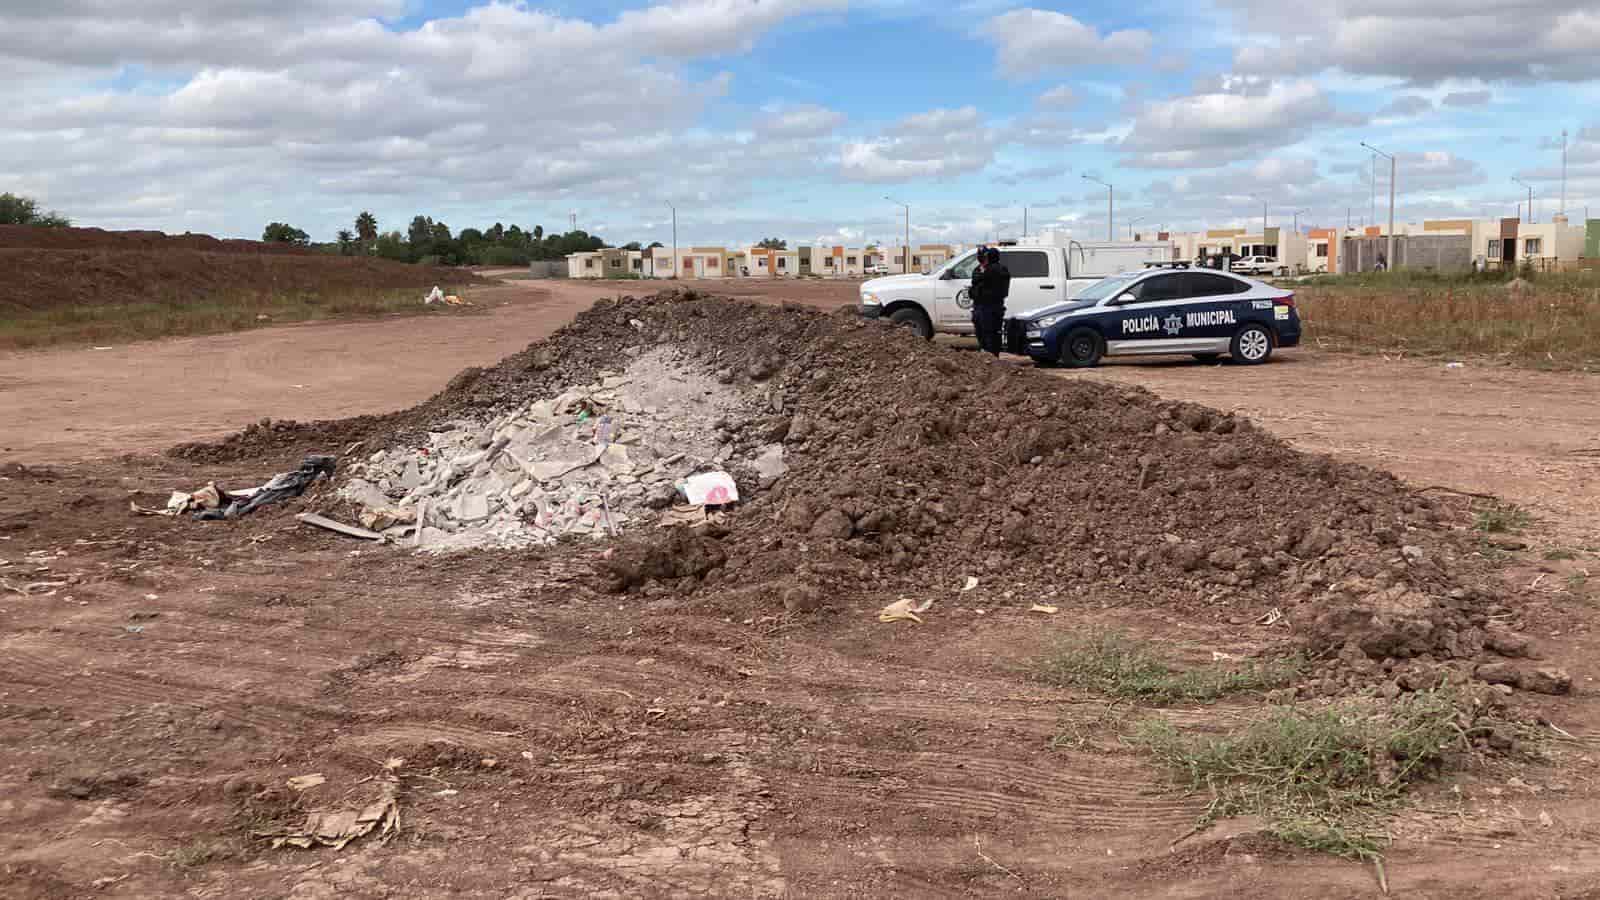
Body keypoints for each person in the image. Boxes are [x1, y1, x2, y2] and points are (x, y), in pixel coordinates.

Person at [968, 247, 1010, 356]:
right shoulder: (980, 269)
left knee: (989, 335)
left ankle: (991, 357)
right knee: (984, 334)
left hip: (989, 308)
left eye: (984, 256)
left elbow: (982, 283)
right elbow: (975, 283)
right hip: (983, 307)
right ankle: (989, 355)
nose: (981, 258)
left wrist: (982, 276)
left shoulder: (995, 270)